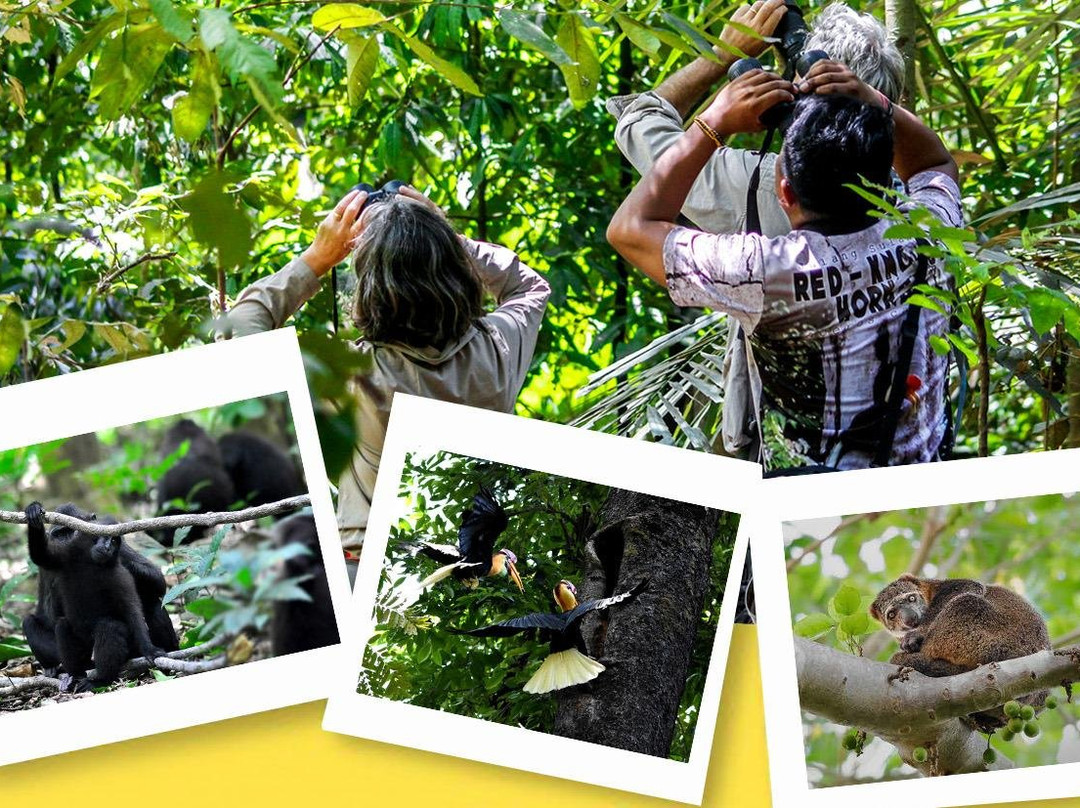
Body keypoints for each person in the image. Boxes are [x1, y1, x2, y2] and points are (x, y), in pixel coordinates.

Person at [606, 63, 961, 469]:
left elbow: (629, 230)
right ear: (886, 175)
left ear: (785, 193)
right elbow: (934, 165)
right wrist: (874, 101)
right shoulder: (930, 229)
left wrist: (714, 121)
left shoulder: (767, 271)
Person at [225, 186, 551, 550]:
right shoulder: (497, 348)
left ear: (370, 290)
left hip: (362, 559)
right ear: (456, 269)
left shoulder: (350, 373)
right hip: (442, 552)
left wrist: (317, 258)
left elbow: (237, 333)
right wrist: (443, 236)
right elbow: (530, 286)